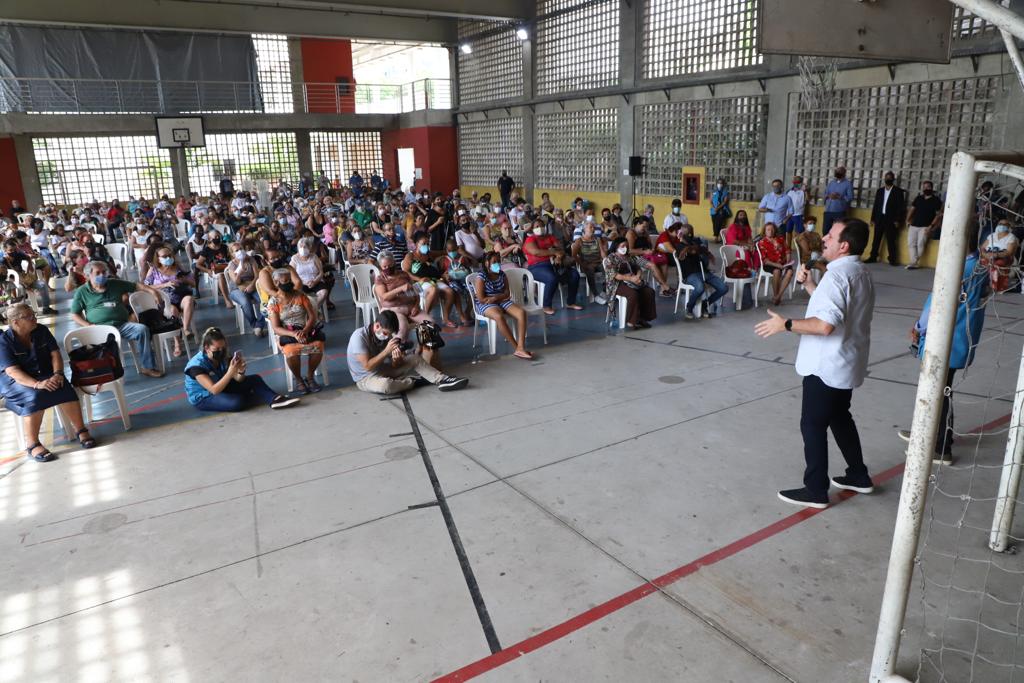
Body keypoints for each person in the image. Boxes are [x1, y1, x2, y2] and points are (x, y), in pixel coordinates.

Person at [754, 218, 876, 509]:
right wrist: (810, 285)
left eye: (831, 236)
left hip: (826, 366)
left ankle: (816, 489)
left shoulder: (837, 276)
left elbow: (824, 325)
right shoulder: (859, 271)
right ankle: (858, 474)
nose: (824, 239)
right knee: (840, 418)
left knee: (813, 424)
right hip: (846, 363)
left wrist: (786, 324)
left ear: (844, 245)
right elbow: (833, 309)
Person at [900, 227, 988, 463]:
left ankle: (940, 446)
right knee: (942, 389)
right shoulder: (978, 265)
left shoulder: (958, 270)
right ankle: (929, 433)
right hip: (961, 338)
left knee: (939, 392)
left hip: (948, 338)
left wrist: (919, 327)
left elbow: (936, 305)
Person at [0, 303, 96, 462]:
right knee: (35, 396)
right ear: (15, 322)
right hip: (14, 381)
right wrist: (37, 384)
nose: (34, 318)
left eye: (34, 314)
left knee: (63, 386)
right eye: (29, 316)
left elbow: (55, 354)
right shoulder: (3, 341)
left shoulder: (41, 331)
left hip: (43, 373)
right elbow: (13, 372)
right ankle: (32, 444)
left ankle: (81, 430)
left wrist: (58, 374)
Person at [70, 261, 165, 378]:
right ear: (88, 276)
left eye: (104, 272)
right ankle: (106, 371)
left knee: (142, 330)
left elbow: (137, 286)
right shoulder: (82, 292)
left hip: (122, 325)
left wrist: (153, 291)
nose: (102, 275)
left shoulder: (114, 283)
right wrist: (88, 325)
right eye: (98, 273)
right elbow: (74, 314)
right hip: (100, 329)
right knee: (101, 348)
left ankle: (147, 367)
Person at [347, 309, 469, 394]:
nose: (386, 336)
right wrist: (386, 351)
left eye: (389, 334)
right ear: (377, 325)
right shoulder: (359, 336)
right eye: (385, 333)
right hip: (365, 378)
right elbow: (367, 366)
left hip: (382, 369)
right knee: (386, 386)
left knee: (414, 358)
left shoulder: (387, 337)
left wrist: (396, 358)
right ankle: (414, 381)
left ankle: (443, 379)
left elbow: (395, 365)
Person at [184, 327, 299, 412]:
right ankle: (254, 394)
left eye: (223, 347)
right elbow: (214, 390)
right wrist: (230, 372)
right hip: (204, 396)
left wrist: (240, 371)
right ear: (206, 348)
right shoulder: (196, 366)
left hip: (222, 385)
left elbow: (238, 379)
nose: (221, 350)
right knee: (236, 403)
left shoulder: (224, 355)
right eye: (217, 348)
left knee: (255, 379)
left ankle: (275, 400)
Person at [266, 268, 325, 394]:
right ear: (276, 283)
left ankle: (310, 377)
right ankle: (299, 379)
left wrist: (304, 331)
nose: (290, 284)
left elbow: (312, 316)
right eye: (285, 281)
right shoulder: (273, 302)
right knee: (292, 351)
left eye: (290, 280)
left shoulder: (300, 296)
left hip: (305, 331)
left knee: (318, 346)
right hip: (286, 333)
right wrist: (294, 334)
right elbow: (276, 327)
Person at [373, 250, 437, 353]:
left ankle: (420, 349)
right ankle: (399, 356)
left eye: (390, 265)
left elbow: (416, 292)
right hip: (393, 311)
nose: (387, 268)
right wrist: (401, 288)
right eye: (384, 267)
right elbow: (384, 297)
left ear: (394, 262)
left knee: (430, 324)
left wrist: (416, 305)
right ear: (380, 266)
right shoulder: (380, 279)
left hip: (411, 307)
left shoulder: (404, 275)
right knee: (402, 330)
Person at [473, 251, 534, 359]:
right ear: (487, 263)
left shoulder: (502, 274)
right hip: (486, 304)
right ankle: (517, 348)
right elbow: (481, 299)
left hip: (500, 300)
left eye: (498, 261)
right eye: (494, 262)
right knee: (499, 316)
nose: (497, 264)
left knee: (521, 313)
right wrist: (497, 298)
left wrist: (496, 298)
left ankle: (521, 347)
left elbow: (507, 293)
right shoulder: (481, 277)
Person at [143, 245, 197, 355]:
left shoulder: (178, 268)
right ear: (158, 258)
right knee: (173, 311)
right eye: (164, 256)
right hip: (164, 301)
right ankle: (177, 343)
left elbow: (193, 284)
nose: (168, 258)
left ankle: (185, 330)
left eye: (169, 255)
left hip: (180, 297)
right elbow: (145, 287)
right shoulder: (153, 270)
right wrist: (164, 285)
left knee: (189, 299)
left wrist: (184, 279)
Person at [523, 220, 583, 315]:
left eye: (542, 225)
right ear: (533, 229)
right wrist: (554, 252)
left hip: (554, 265)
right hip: (537, 267)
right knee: (551, 278)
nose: (540, 227)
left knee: (574, 274)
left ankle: (570, 302)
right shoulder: (531, 239)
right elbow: (535, 252)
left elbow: (561, 249)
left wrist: (559, 256)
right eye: (537, 226)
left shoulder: (550, 237)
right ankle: (546, 306)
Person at [603, 237, 657, 329]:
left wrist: (638, 276)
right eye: (623, 246)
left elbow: (638, 268)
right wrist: (630, 278)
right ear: (616, 246)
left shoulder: (629, 257)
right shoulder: (610, 258)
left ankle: (643, 318)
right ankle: (632, 321)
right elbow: (615, 275)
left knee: (649, 291)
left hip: (632, 281)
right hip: (617, 284)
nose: (625, 248)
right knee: (633, 294)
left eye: (626, 246)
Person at [676, 224, 727, 319]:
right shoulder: (679, 246)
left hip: (704, 272)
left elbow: (699, 249)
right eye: (686, 233)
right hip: (690, 275)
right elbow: (692, 251)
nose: (689, 236)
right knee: (700, 287)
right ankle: (689, 307)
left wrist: (708, 253)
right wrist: (688, 248)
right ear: (681, 234)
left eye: (690, 233)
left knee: (723, 288)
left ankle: (705, 304)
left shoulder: (695, 243)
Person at [226, 241, 268, 337]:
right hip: (236, 288)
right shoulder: (231, 265)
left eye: (241, 249)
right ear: (233, 254)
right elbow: (237, 282)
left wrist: (252, 285)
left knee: (264, 299)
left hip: (252, 284)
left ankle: (259, 325)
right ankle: (254, 324)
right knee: (245, 302)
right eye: (237, 250)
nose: (240, 251)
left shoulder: (251, 260)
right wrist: (240, 270)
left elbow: (257, 275)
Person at [867, 171, 906, 265]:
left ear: (893, 179)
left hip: (891, 219)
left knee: (891, 240)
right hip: (879, 218)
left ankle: (892, 259)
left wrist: (898, 220)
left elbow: (901, 207)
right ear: (884, 178)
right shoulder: (880, 191)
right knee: (876, 239)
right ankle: (873, 257)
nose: (888, 179)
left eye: (890, 177)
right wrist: (872, 218)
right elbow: (876, 205)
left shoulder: (898, 191)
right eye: (887, 177)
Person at [626, 220, 674, 297]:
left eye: (646, 227)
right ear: (638, 224)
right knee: (652, 265)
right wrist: (644, 251)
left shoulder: (645, 233)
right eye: (644, 226)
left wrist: (651, 250)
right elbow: (629, 251)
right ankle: (665, 286)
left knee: (664, 263)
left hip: (647, 255)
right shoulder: (631, 233)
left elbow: (650, 246)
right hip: (635, 257)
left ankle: (663, 290)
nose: (645, 229)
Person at [905, 180, 944, 270]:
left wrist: (931, 226)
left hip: (925, 226)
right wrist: (907, 220)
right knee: (911, 244)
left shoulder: (936, 200)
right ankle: (914, 262)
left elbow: (938, 215)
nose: (926, 189)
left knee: (920, 244)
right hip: (914, 225)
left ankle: (913, 262)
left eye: (928, 187)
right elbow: (912, 209)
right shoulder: (918, 198)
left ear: (932, 188)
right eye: (924, 187)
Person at [572, 221, 608, 304]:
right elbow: (574, 255)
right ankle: (595, 295)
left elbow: (602, 252)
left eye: (594, 227)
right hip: (586, 263)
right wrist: (582, 264)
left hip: (598, 262)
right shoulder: (579, 241)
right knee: (590, 270)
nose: (593, 229)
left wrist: (606, 261)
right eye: (590, 227)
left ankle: (604, 291)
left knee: (608, 269)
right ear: (584, 229)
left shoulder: (597, 239)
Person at [758, 222, 794, 306]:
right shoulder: (762, 242)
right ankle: (775, 295)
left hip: (783, 263)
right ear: (765, 231)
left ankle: (778, 296)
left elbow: (788, 251)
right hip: (770, 264)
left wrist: (788, 262)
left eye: (772, 229)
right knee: (777, 271)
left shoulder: (780, 239)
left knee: (790, 272)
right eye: (768, 229)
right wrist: (777, 265)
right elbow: (765, 260)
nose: (770, 231)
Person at [980, 219, 1019, 292]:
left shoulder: (1011, 237)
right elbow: (982, 248)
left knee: (996, 264)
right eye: (1000, 224)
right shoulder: (992, 235)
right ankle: (982, 285)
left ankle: (994, 286)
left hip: (1003, 257)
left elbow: (1009, 252)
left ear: (1008, 227)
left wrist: (996, 255)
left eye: (1004, 225)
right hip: (989, 255)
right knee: (980, 262)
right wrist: (985, 254)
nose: (1002, 226)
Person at [823, 165, 854, 233]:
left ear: (844, 173)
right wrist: (829, 196)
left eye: (839, 172)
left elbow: (850, 197)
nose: (837, 173)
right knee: (825, 231)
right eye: (836, 171)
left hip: (840, 212)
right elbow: (825, 194)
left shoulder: (848, 184)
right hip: (828, 210)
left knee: (839, 232)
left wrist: (840, 197)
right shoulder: (831, 183)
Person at [710, 178, 731, 243]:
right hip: (713, 210)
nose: (720, 184)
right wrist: (714, 208)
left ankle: (716, 237)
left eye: (721, 183)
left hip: (722, 210)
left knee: (718, 223)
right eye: (718, 183)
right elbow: (710, 201)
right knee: (714, 223)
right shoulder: (713, 191)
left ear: (723, 184)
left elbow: (724, 202)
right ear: (716, 184)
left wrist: (718, 208)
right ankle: (718, 236)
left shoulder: (725, 192)